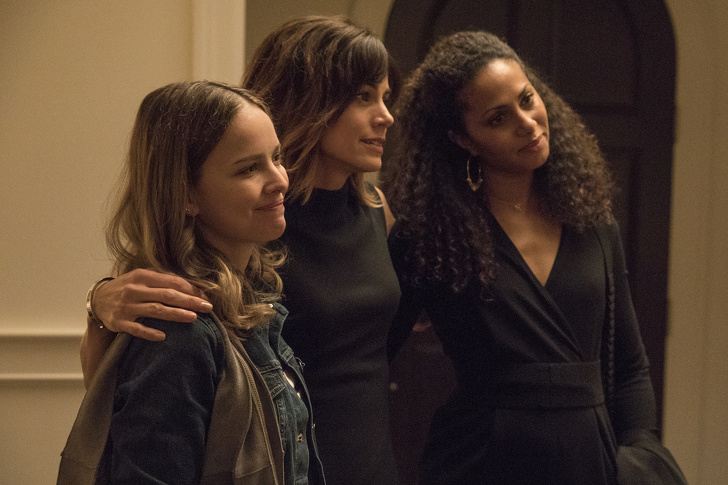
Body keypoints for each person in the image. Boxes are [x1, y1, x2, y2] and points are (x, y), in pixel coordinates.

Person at [79, 16, 402, 485]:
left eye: (386, 96)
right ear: (309, 101)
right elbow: (131, 395)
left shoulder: (369, 208)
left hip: (358, 460)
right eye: (363, 96)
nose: (386, 115)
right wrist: (99, 303)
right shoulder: (246, 222)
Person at [381, 30, 685, 484]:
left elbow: (630, 365)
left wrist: (639, 456)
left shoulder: (591, 220)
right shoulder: (431, 236)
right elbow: (371, 355)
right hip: (478, 464)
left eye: (527, 99)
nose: (527, 123)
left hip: (592, 464)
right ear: (463, 139)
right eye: (498, 118)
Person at [59, 81, 325, 485]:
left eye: (276, 158)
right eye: (249, 169)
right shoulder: (180, 326)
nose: (280, 180)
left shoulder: (248, 299)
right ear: (186, 195)